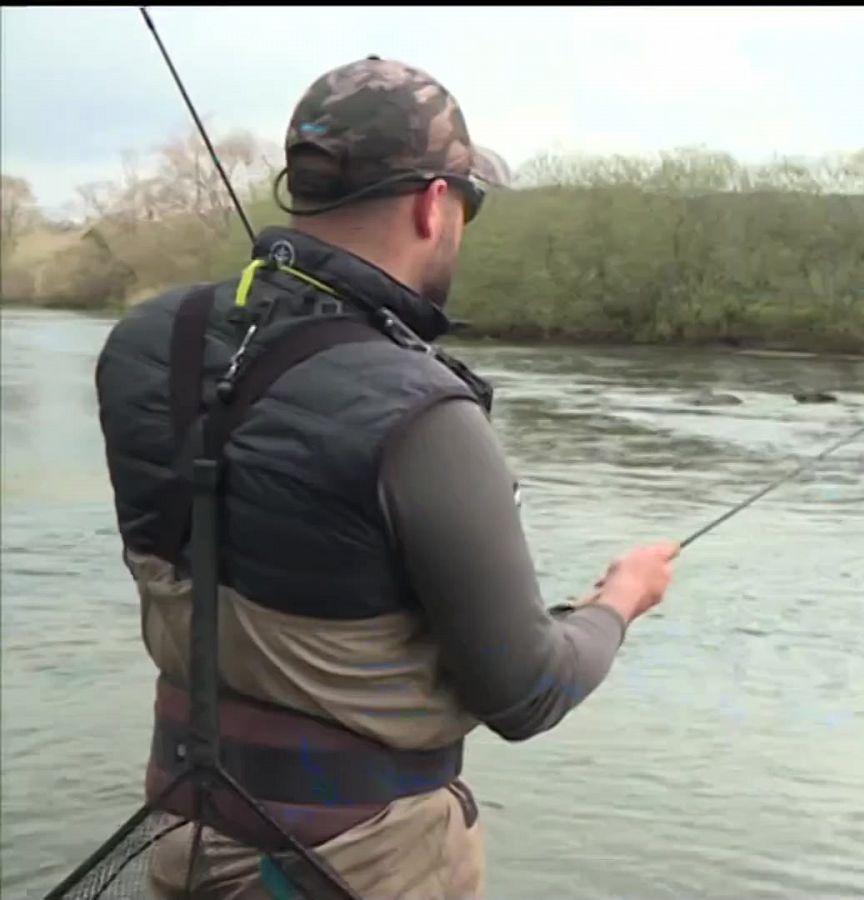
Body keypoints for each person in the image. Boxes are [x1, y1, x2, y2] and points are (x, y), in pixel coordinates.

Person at [93, 56, 677, 898]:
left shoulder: (143, 343)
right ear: (435, 203)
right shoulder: (424, 415)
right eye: (468, 206)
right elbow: (529, 692)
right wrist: (621, 599)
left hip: (187, 838)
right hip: (360, 866)